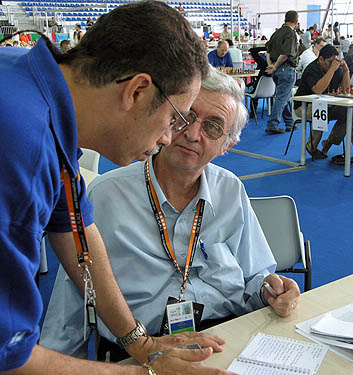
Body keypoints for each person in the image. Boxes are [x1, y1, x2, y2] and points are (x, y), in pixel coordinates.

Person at [0, 2, 233, 374]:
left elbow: (73, 229)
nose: (168, 137)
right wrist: (149, 372)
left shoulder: (28, 81)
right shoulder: (21, 147)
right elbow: (9, 359)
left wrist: (141, 344)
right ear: (136, 91)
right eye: (174, 118)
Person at [41, 66, 301, 361]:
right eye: (186, 116)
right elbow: (73, 302)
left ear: (226, 146)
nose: (192, 134)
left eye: (212, 127)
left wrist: (270, 288)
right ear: (167, 118)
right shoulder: (107, 195)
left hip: (227, 338)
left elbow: (255, 275)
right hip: (142, 349)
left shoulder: (230, 189)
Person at [294, 45, 350, 160]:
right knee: (320, 109)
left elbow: (346, 90)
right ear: (320, 59)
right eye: (329, 62)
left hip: (326, 105)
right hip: (302, 107)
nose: (332, 65)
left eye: (333, 62)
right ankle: (311, 147)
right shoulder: (312, 69)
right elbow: (318, 90)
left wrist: (346, 71)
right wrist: (332, 70)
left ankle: (328, 143)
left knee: (348, 113)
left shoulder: (335, 69)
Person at [264, 10, 299, 134]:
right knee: (281, 98)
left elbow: (267, 52)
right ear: (296, 21)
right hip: (286, 68)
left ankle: (290, 123)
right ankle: (272, 125)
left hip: (277, 70)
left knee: (284, 96)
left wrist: (271, 65)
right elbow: (285, 55)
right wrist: (275, 66)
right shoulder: (291, 34)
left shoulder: (276, 33)